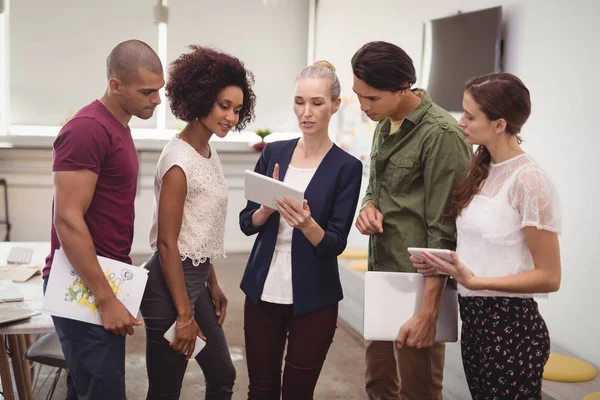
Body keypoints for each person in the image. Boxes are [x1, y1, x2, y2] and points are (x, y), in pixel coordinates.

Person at [412, 73, 561, 400]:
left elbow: (549, 277)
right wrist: (445, 264)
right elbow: (481, 246)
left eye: (470, 115)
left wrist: (478, 282)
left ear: (499, 124)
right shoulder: (480, 169)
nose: (460, 121)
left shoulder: (530, 181)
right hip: (476, 322)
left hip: (511, 329)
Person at [43, 39, 164, 399]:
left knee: (88, 388)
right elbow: (67, 220)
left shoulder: (117, 127)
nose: (157, 101)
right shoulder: (87, 129)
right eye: (147, 92)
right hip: (83, 283)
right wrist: (106, 298)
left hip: (103, 277)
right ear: (115, 85)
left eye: (159, 90)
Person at [352, 41, 472, 400]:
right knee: (378, 384)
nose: (363, 107)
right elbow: (376, 186)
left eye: (371, 98)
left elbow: (445, 228)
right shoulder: (384, 122)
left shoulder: (442, 135)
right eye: (359, 96)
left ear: (403, 87)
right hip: (383, 272)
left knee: (417, 392)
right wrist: (368, 206)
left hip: (419, 285)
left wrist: (428, 310)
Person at [239, 60, 363, 399]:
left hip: (314, 298)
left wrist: (307, 224)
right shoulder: (274, 152)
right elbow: (246, 222)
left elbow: (335, 242)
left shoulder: (347, 167)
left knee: (297, 392)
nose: (306, 112)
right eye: (299, 102)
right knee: (261, 390)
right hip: (262, 291)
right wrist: (264, 211)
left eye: (317, 103)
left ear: (335, 105)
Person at [140, 45, 256, 400]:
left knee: (222, 374)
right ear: (200, 97)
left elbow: (199, 230)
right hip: (167, 289)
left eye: (237, 109)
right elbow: (167, 243)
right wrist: (184, 315)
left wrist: (213, 282)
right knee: (165, 389)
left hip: (196, 281)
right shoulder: (178, 162)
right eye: (224, 106)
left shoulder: (207, 150)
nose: (231, 117)